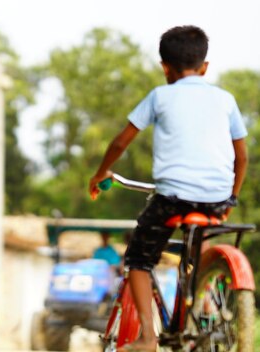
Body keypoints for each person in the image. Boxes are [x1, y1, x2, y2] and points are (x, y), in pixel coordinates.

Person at [88, 25, 247, 352]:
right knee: (196, 248)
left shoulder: (160, 96)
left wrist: (100, 173)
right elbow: (242, 156)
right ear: (205, 67)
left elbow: (120, 143)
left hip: (172, 198)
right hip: (216, 199)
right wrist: (231, 197)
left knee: (139, 260)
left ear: (165, 67)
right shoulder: (226, 100)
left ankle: (148, 337)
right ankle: (203, 311)